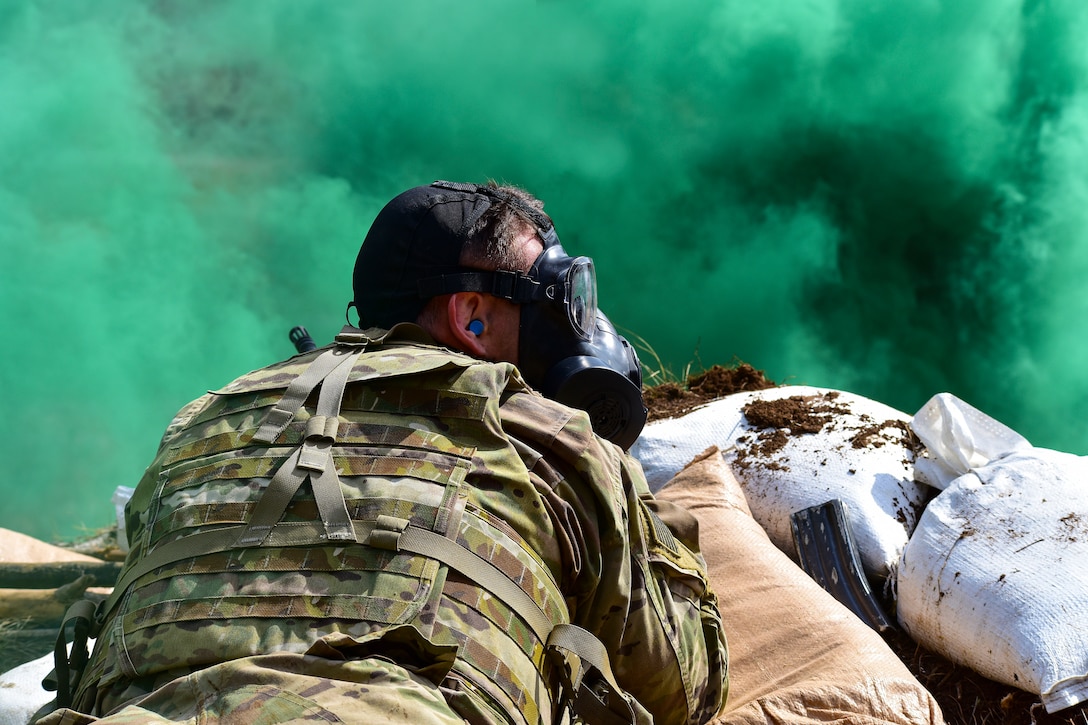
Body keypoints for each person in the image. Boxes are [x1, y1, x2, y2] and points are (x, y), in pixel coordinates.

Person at [39, 181, 728, 725]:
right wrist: (622, 483)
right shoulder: (548, 437)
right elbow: (682, 685)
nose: (574, 323)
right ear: (473, 317)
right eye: (554, 299)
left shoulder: (204, 416)